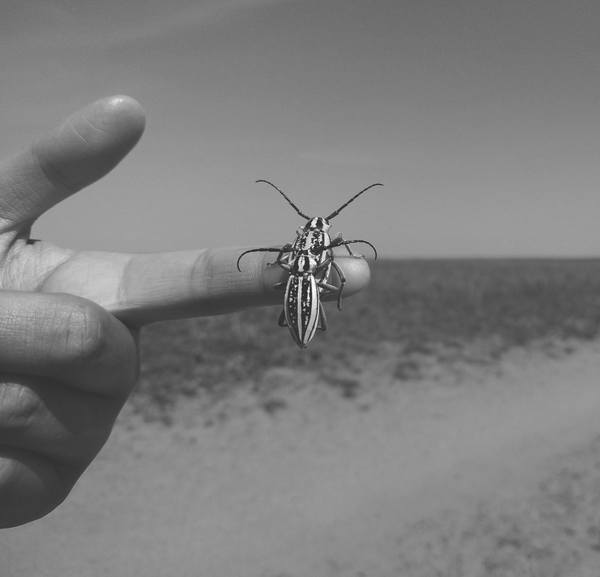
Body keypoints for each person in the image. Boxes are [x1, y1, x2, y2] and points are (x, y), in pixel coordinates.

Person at [0, 95, 371, 528]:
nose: (316, 229)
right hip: (307, 283)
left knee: (321, 288)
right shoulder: (317, 252)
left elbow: (322, 268)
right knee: (325, 287)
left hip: (301, 284)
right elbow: (330, 269)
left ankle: (307, 316)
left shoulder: (299, 253)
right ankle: (308, 315)